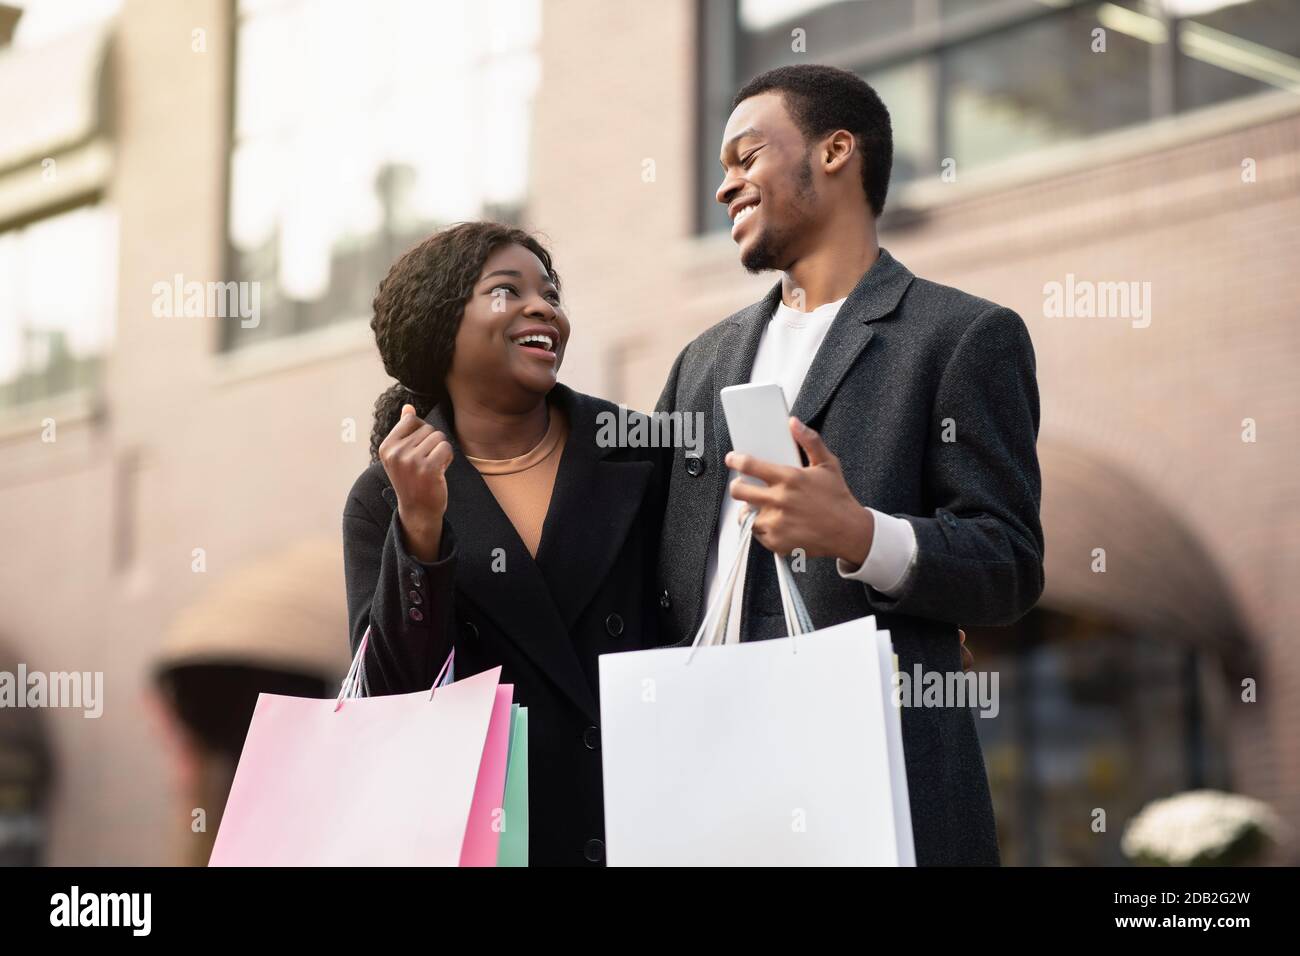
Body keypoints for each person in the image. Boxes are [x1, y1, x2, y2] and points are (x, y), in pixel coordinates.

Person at [654, 64, 1045, 866]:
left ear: (836, 152)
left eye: (746, 156)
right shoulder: (702, 361)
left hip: (885, 788)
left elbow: (1008, 563)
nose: (725, 187)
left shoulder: (962, 336)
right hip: (707, 783)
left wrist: (862, 534)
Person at [341, 222, 664, 866]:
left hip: (648, 819)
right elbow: (392, 702)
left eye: (549, 293)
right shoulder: (384, 496)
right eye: (506, 291)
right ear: (441, 328)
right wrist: (421, 531)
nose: (543, 307)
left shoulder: (644, 451)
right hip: (495, 841)